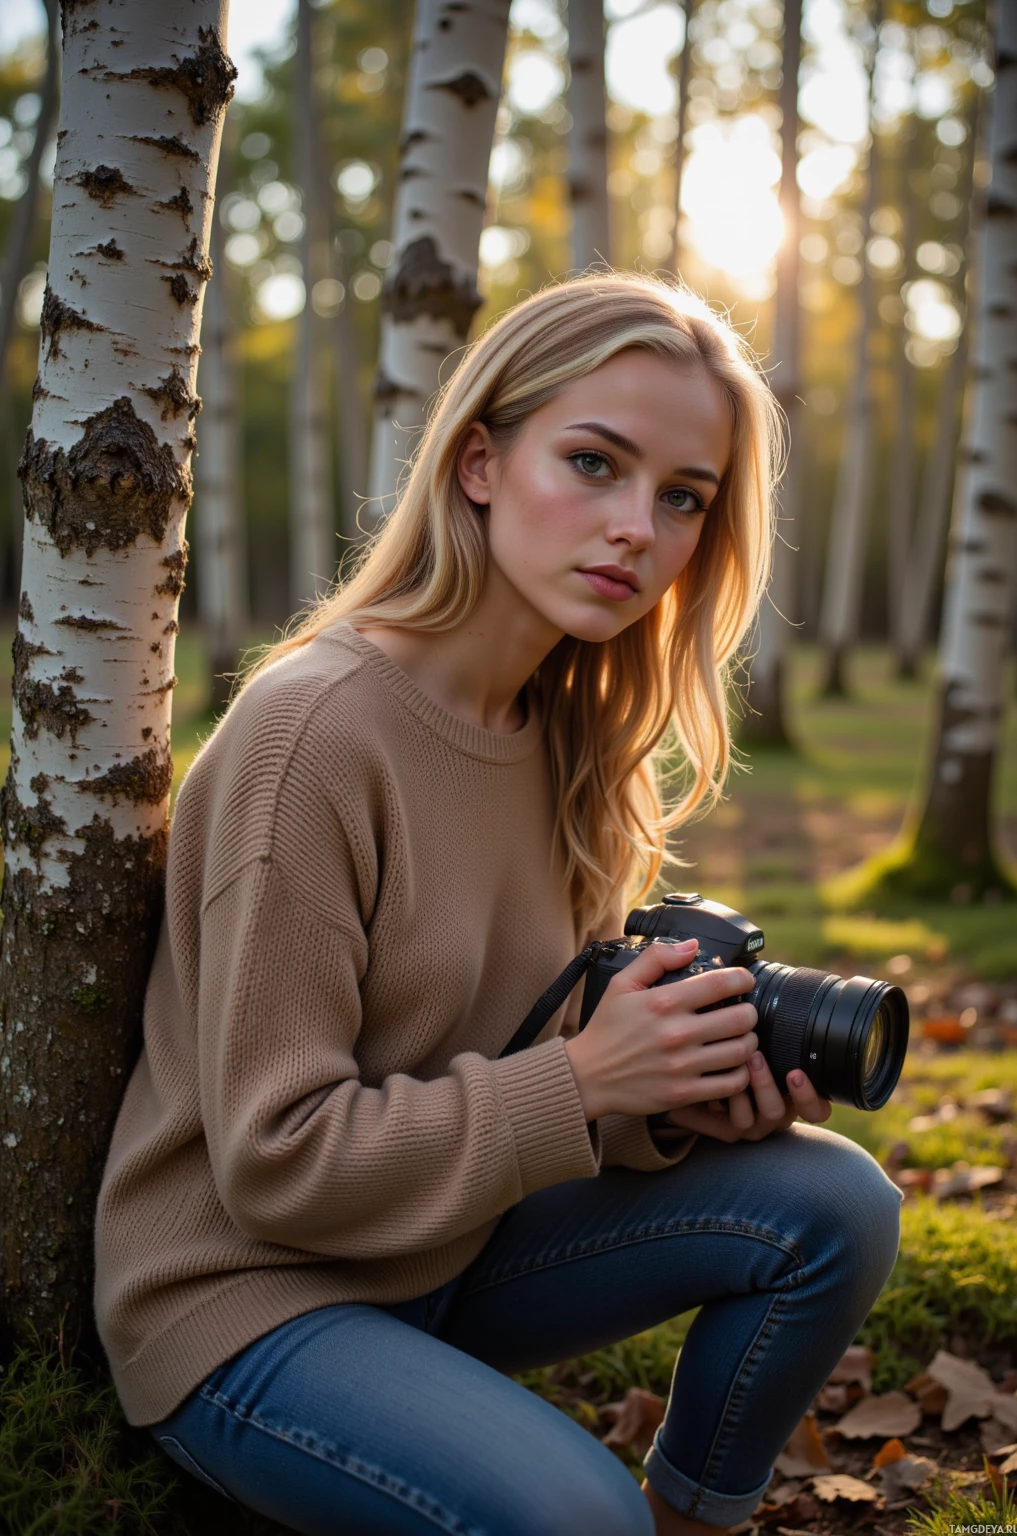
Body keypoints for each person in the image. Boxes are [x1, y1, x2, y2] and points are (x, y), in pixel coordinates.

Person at [93, 273, 903, 1536]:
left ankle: (694, 1518)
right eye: (593, 462)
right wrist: (584, 1084)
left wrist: (674, 1101)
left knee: (838, 1203)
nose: (638, 526)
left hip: (450, 1246)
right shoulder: (314, 733)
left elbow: (525, 1069)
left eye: (682, 497)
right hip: (249, 1297)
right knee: (575, 1519)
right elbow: (274, 1164)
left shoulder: (566, 735)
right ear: (478, 462)